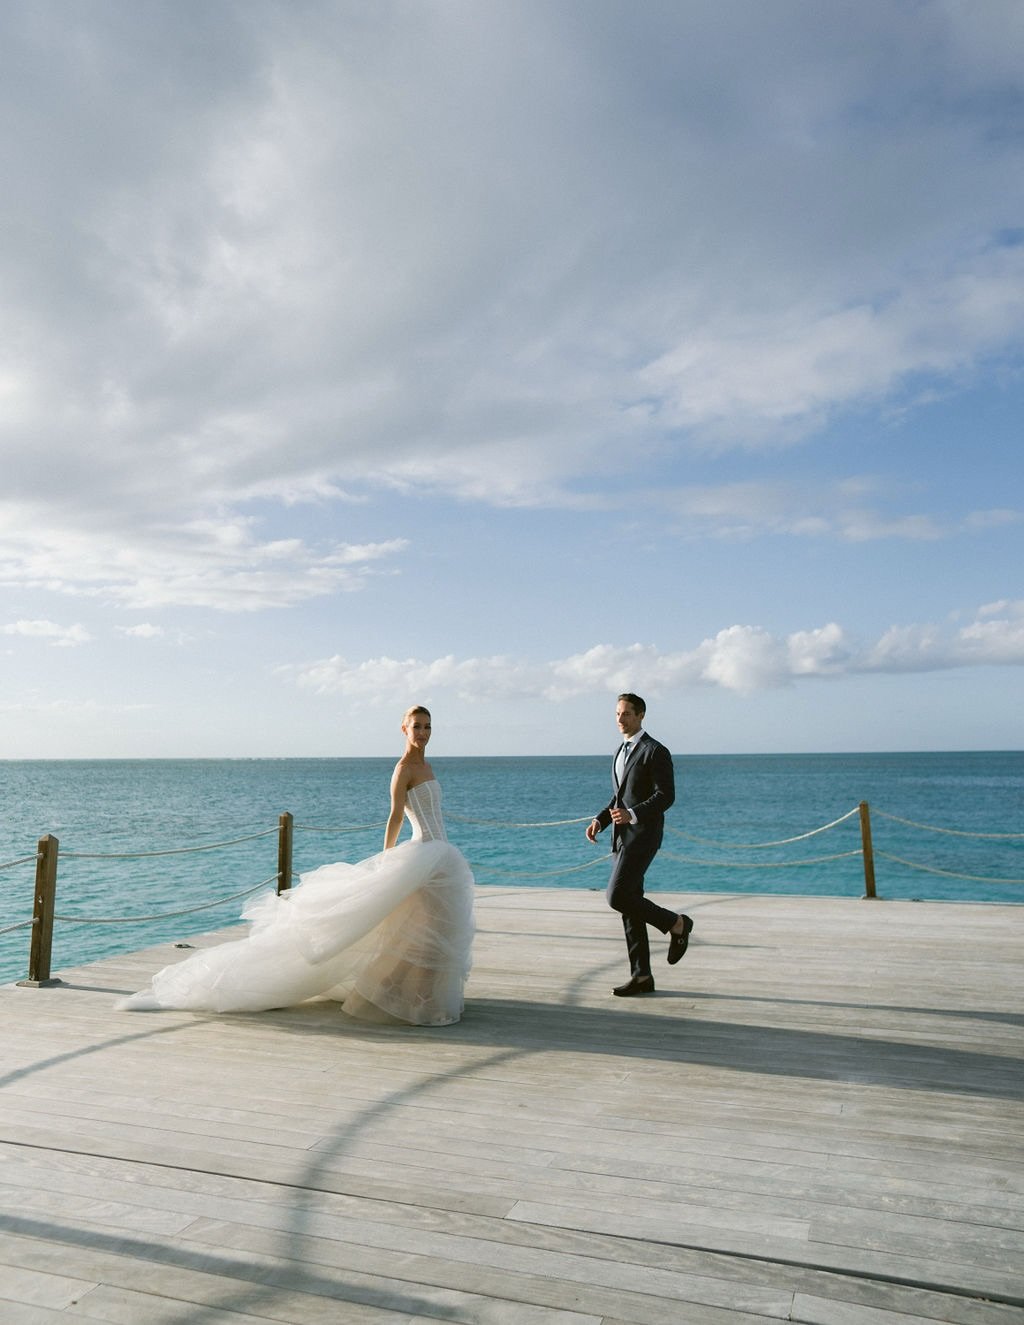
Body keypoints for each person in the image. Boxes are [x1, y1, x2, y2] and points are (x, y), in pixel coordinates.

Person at [117, 706, 474, 1026]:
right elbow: (395, 816)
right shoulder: (403, 769)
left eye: (427, 726)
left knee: (432, 931)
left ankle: (417, 997)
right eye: (416, 726)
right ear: (403, 729)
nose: (423, 733)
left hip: (441, 857)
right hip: (421, 856)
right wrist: (386, 861)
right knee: (427, 934)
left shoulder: (427, 765)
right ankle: (401, 996)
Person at [586, 693, 693, 996]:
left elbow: (666, 796)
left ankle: (677, 923)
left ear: (641, 715)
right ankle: (642, 976)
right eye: (618, 714)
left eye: (627, 714)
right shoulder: (621, 750)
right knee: (629, 905)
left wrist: (632, 814)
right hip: (622, 837)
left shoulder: (655, 751)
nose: (620, 720)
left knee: (616, 896)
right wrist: (601, 820)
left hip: (643, 836)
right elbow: (620, 797)